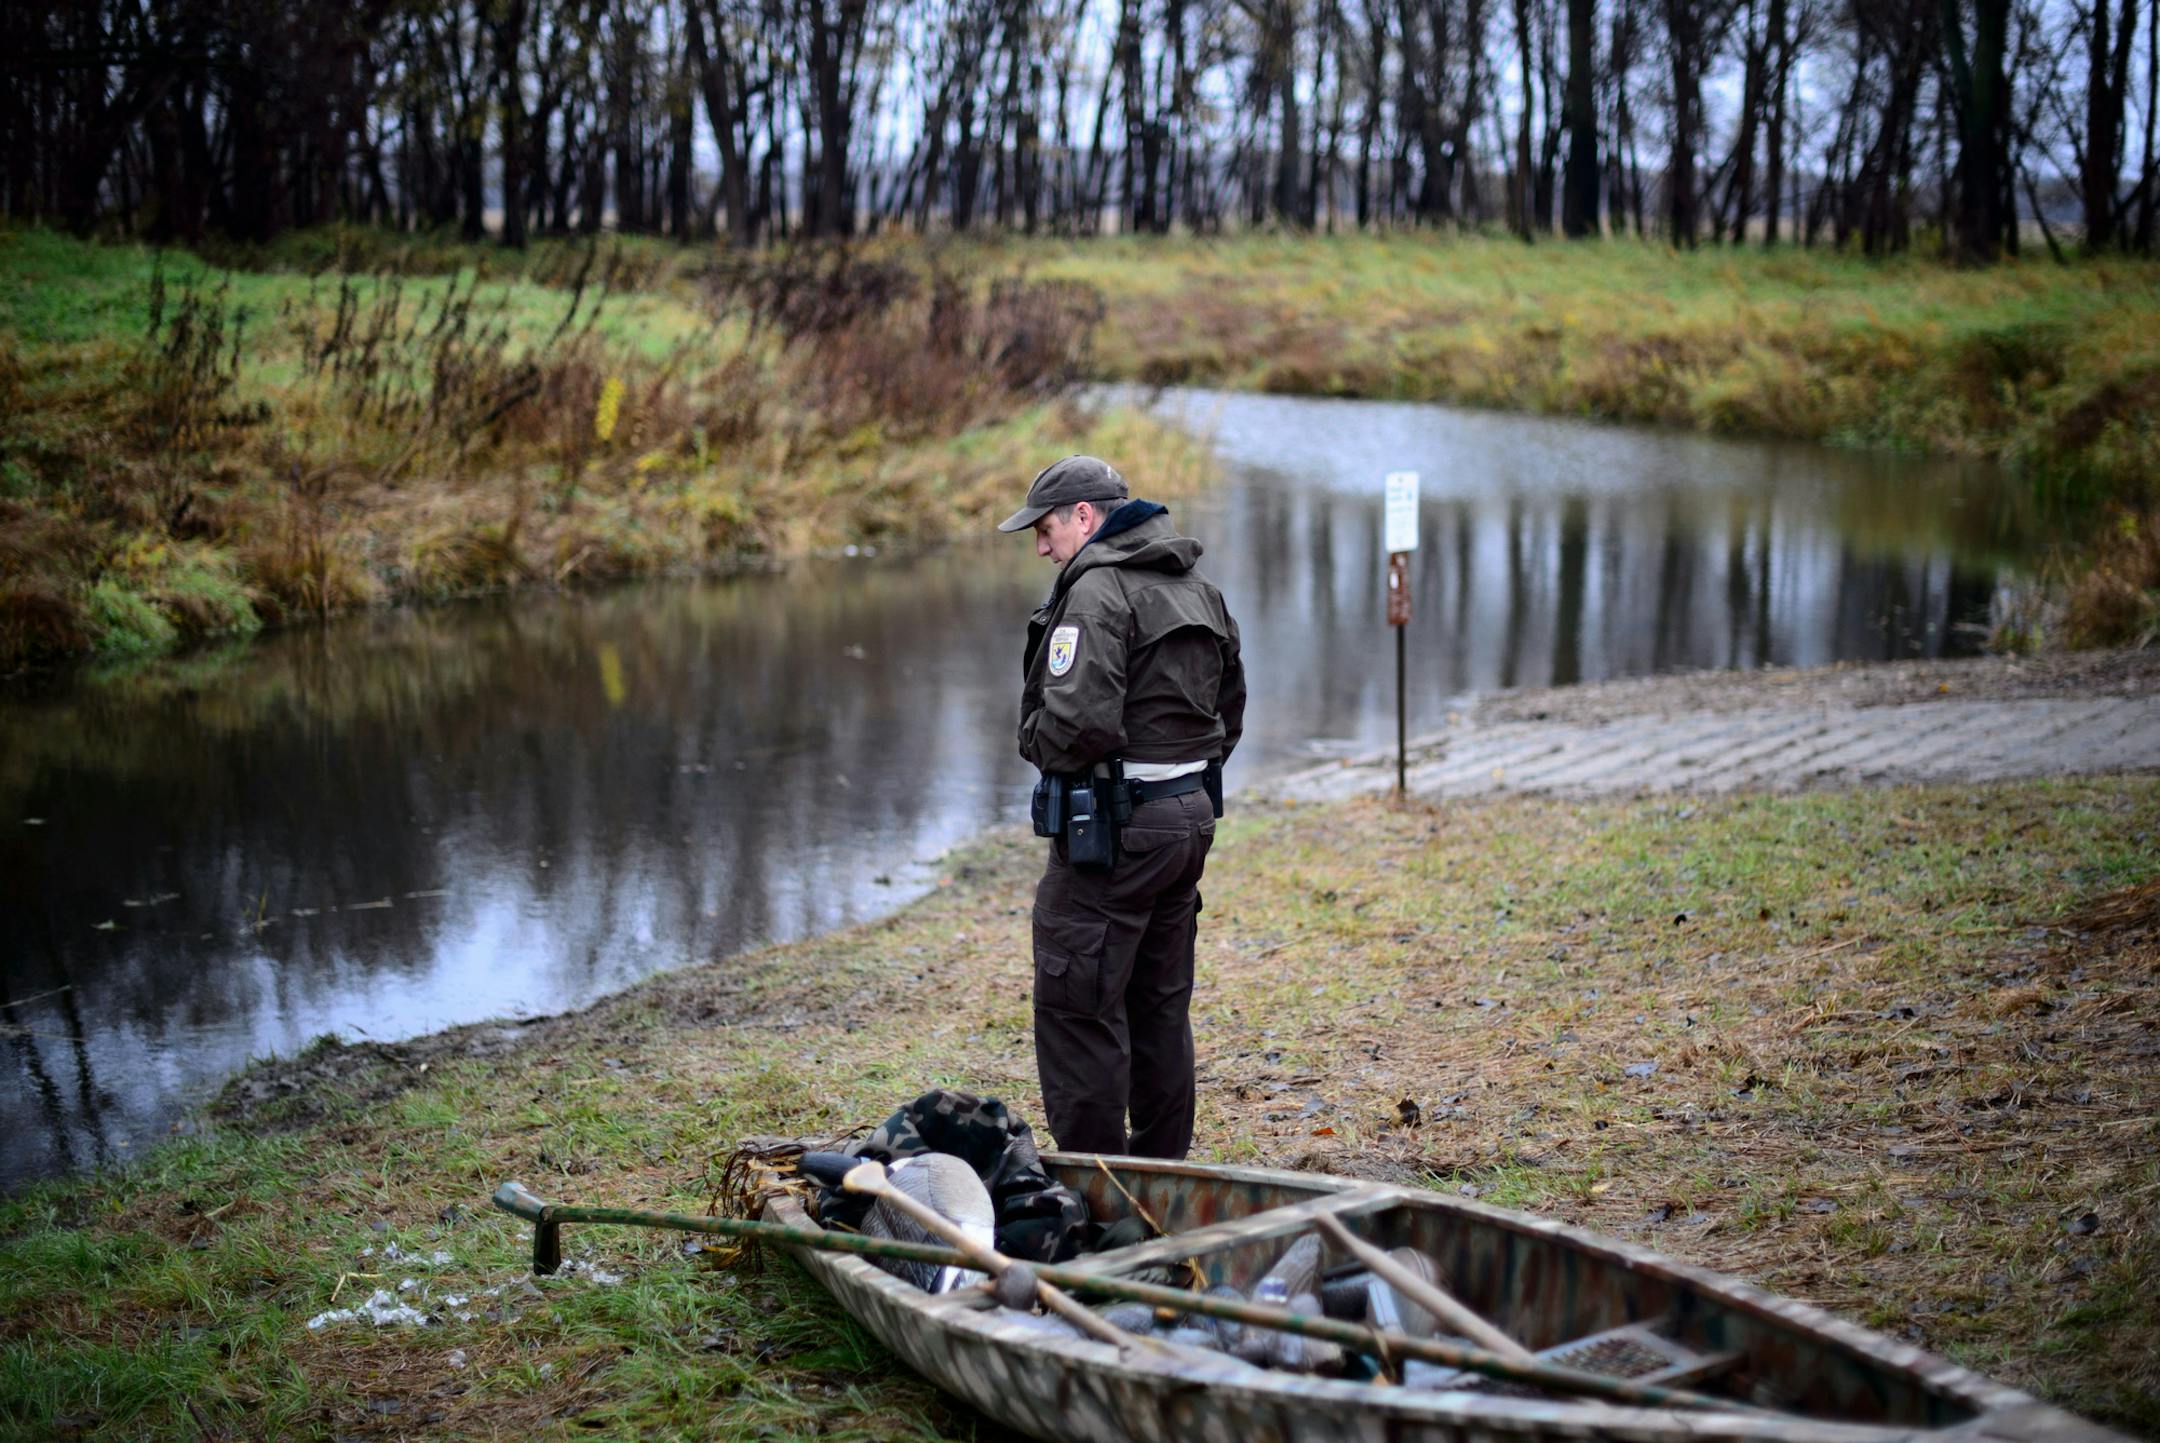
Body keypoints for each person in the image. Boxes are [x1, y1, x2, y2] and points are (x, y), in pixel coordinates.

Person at [998, 455, 1245, 1159]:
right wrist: (1182, 780)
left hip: (1116, 831)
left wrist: (1033, 738)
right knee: (1159, 1004)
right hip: (1187, 820)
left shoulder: (1098, 592)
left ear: (1085, 515)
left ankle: (1097, 1186)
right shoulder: (1199, 587)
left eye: (1045, 529)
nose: (1042, 548)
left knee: (1079, 1005)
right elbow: (1230, 709)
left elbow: (1075, 727)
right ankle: (1165, 1175)